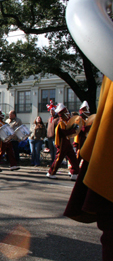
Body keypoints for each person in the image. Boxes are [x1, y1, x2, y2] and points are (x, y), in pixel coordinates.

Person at [64, 76, 113, 260]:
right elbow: (71, 131)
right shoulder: (68, 120)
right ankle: (68, 171)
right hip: (74, 143)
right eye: (83, 110)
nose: (84, 112)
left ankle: (72, 171)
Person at [47, 103, 80, 180]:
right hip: (62, 143)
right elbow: (65, 132)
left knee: (73, 158)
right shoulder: (61, 122)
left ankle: (74, 173)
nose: (68, 114)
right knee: (58, 159)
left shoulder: (65, 122)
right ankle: (51, 172)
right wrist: (73, 130)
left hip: (67, 143)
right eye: (66, 113)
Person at [0, 106, 20, 171]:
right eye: (1, 115)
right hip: (3, 140)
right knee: (1, 152)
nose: (3, 116)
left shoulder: (4, 123)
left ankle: (13, 165)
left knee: (10, 152)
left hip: (7, 139)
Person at [46, 100, 59, 166]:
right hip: (49, 137)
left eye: (52, 111)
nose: (51, 112)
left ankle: (55, 163)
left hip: (54, 137)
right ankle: (52, 162)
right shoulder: (49, 118)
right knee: (51, 150)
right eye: (50, 111)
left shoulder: (57, 118)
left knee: (55, 150)